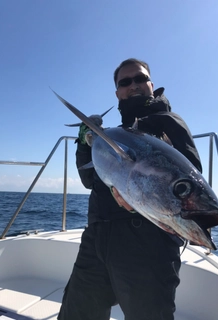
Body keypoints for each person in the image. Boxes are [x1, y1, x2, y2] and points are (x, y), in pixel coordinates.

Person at [58, 58, 202, 320]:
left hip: (148, 245)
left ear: (151, 84)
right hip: (97, 236)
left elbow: (186, 181)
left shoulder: (169, 122)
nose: (133, 85)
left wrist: (140, 202)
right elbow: (90, 179)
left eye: (140, 79)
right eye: (125, 82)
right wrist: (85, 142)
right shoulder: (114, 133)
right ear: (117, 92)